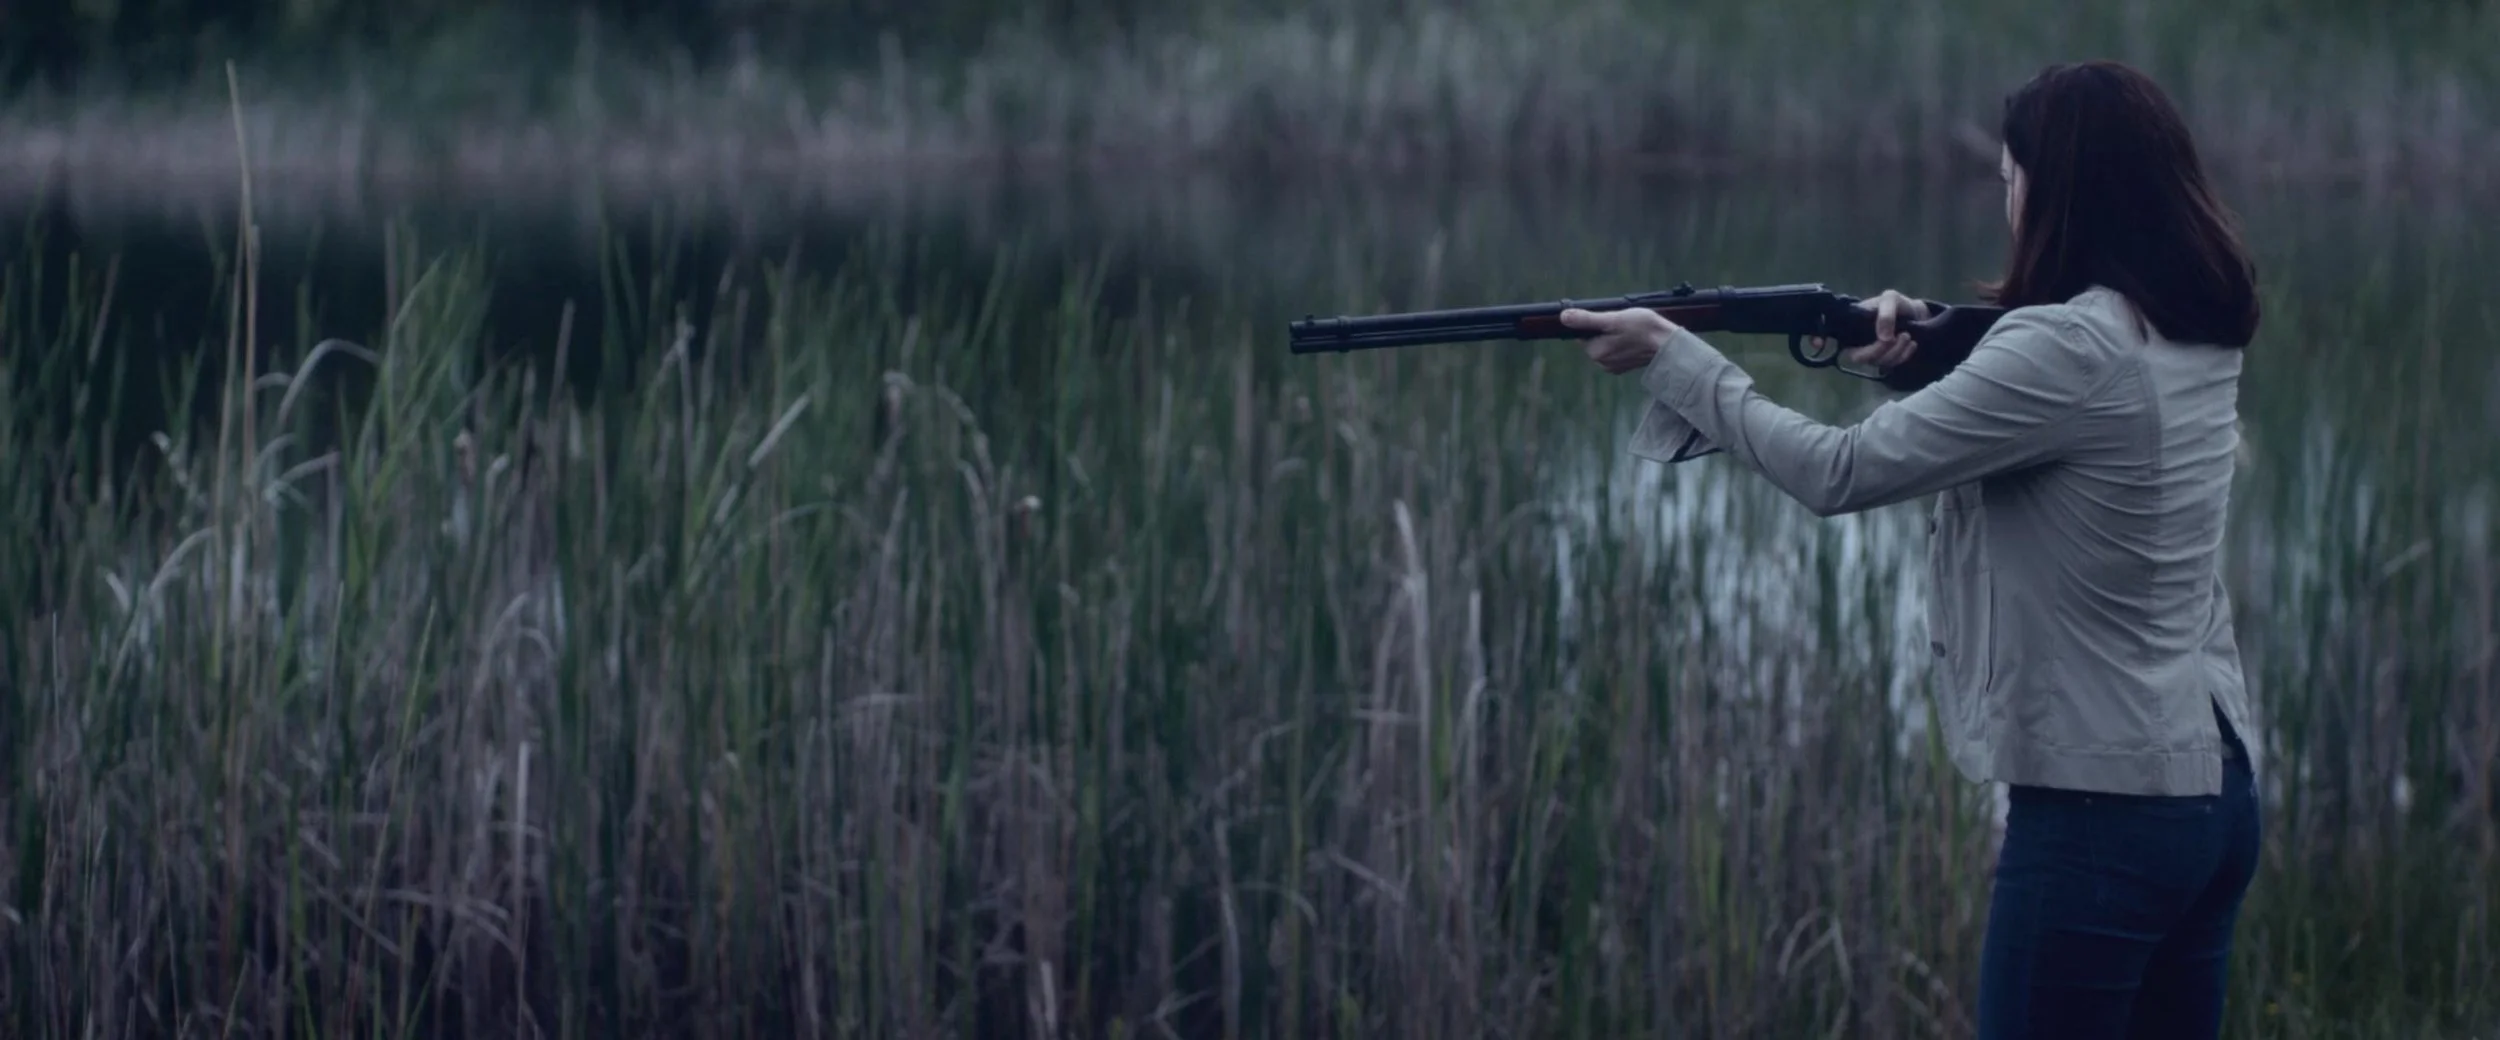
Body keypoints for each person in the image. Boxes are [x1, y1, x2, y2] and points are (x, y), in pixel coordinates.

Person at [1560, 61, 2265, 1038]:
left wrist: (1678, 360)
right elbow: (2055, 421)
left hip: (2102, 815)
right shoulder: (2191, 325)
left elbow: (1837, 473)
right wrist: (1917, 356)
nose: (2005, 197)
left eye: (2010, 176)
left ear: (2057, 192)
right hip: (2213, 793)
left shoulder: (2063, 348)